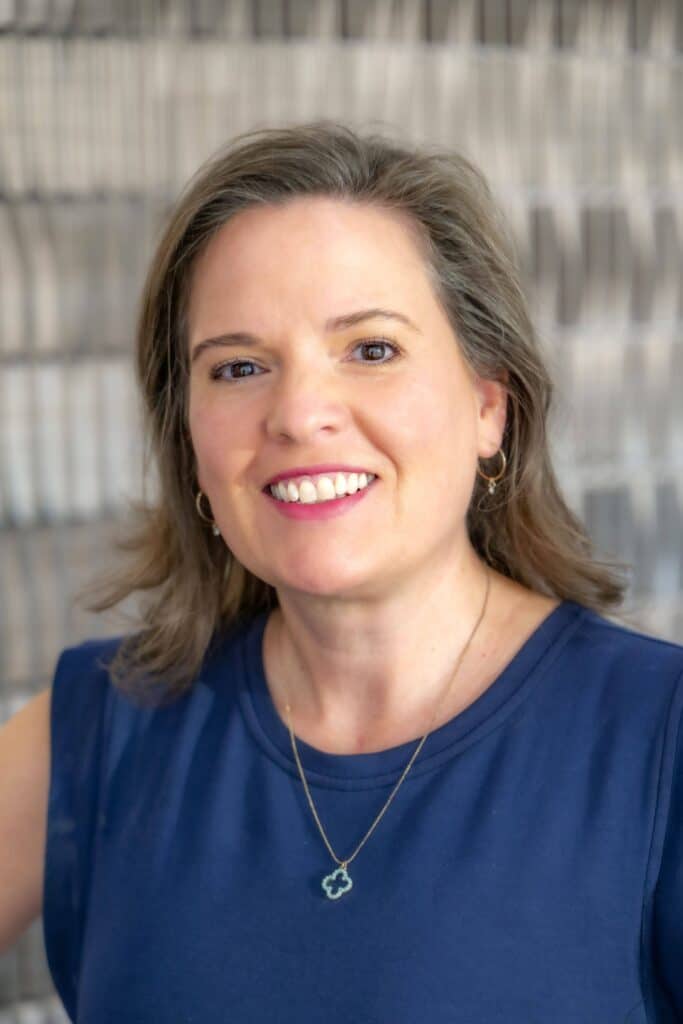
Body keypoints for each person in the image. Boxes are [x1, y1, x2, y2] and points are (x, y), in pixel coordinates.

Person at [0, 121, 681, 1023]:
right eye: (238, 367)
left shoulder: (657, 739)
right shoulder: (88, 733)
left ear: (488, 405)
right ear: (189, 439)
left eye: (370, 349)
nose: (299, 413)